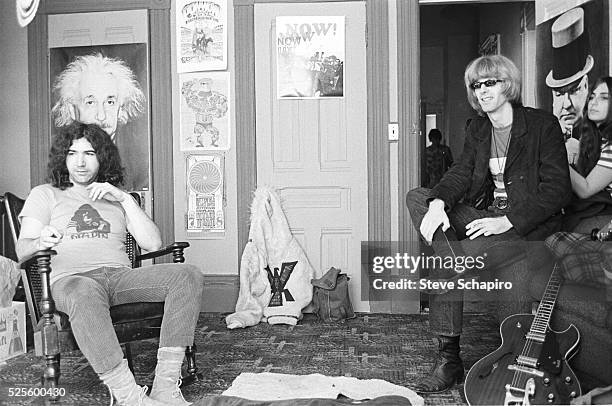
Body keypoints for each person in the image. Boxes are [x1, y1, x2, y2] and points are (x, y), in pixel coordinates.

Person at [405, 54, 572, 394]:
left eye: (490, 82)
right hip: (484, 217)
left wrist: (506, 221)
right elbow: (462, 172)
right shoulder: (479, 129)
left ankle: (449, 359)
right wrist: (438, 204)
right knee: (418, 197)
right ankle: (455, 260)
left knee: (444, 266)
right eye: (476, 85)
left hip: (525, 229)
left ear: (507, 85)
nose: (482, 91)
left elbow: (557, 191)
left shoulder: (542, 125)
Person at [16, 123, 204, 406]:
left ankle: (165, 387)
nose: (80, 161)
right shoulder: (45, 194)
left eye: (89, 153)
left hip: (118, 278)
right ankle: (129, 397)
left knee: (187, 274)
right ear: (62, 157)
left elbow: (152, 244)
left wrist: (125, 199)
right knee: (84, 291)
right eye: (72, 153)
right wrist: (40, 240)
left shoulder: (114, 197)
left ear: (102, 157)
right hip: (72, 280)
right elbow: (22, 250)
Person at [51, 53, 148, 191]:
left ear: (121, 109)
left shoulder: (140, 168)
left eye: (110, 102)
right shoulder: (59, 166)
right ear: (72, 110)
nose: (101, 115)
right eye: (90, 102)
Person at [563, 76, 612, 232]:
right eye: (592, 97)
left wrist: (555, 154)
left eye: (604, 98)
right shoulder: (596, 139)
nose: (594, 102)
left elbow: (585, 189)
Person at [546, 8, 594, 160]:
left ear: (586, 86)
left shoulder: (602, 135)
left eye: (573, 91)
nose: (566, 104)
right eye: (559, 94)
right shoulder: (543, 136)